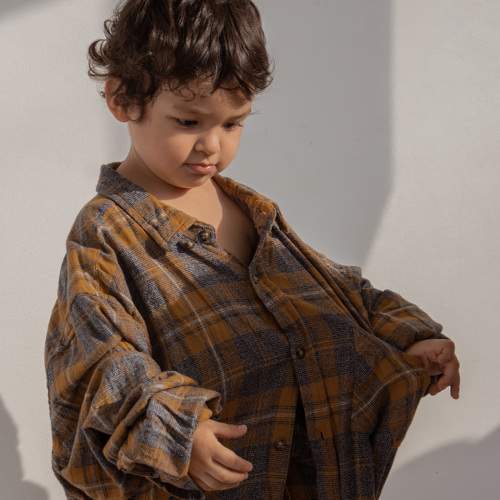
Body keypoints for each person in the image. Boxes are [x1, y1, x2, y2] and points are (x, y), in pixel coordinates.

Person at [44, 1, 461, 499]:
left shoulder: (250, 211)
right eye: (188, 121)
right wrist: (180, 432)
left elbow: (336, 291)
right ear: (122, 99)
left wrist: (409, 334)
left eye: (232, 124)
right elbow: (99, 362)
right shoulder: (106, 232)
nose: (212, 147)